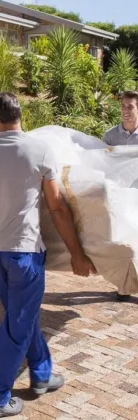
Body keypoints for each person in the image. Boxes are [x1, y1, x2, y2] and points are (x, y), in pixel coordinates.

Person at [0, 93, 97, 419]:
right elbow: (57, 207)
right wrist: (76, 253)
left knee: (21, 316)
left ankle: (41, 374)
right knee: (18, 324)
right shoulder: (40, 150)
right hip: (23, 252)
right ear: (19, 116)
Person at [102, 90, 138, 302]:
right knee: (124, 243)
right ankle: (124, 286)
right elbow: (104, 165)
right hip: (120, 197)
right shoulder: (110, 136)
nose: (125, 111)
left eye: (130, 107)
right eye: (123, 106)